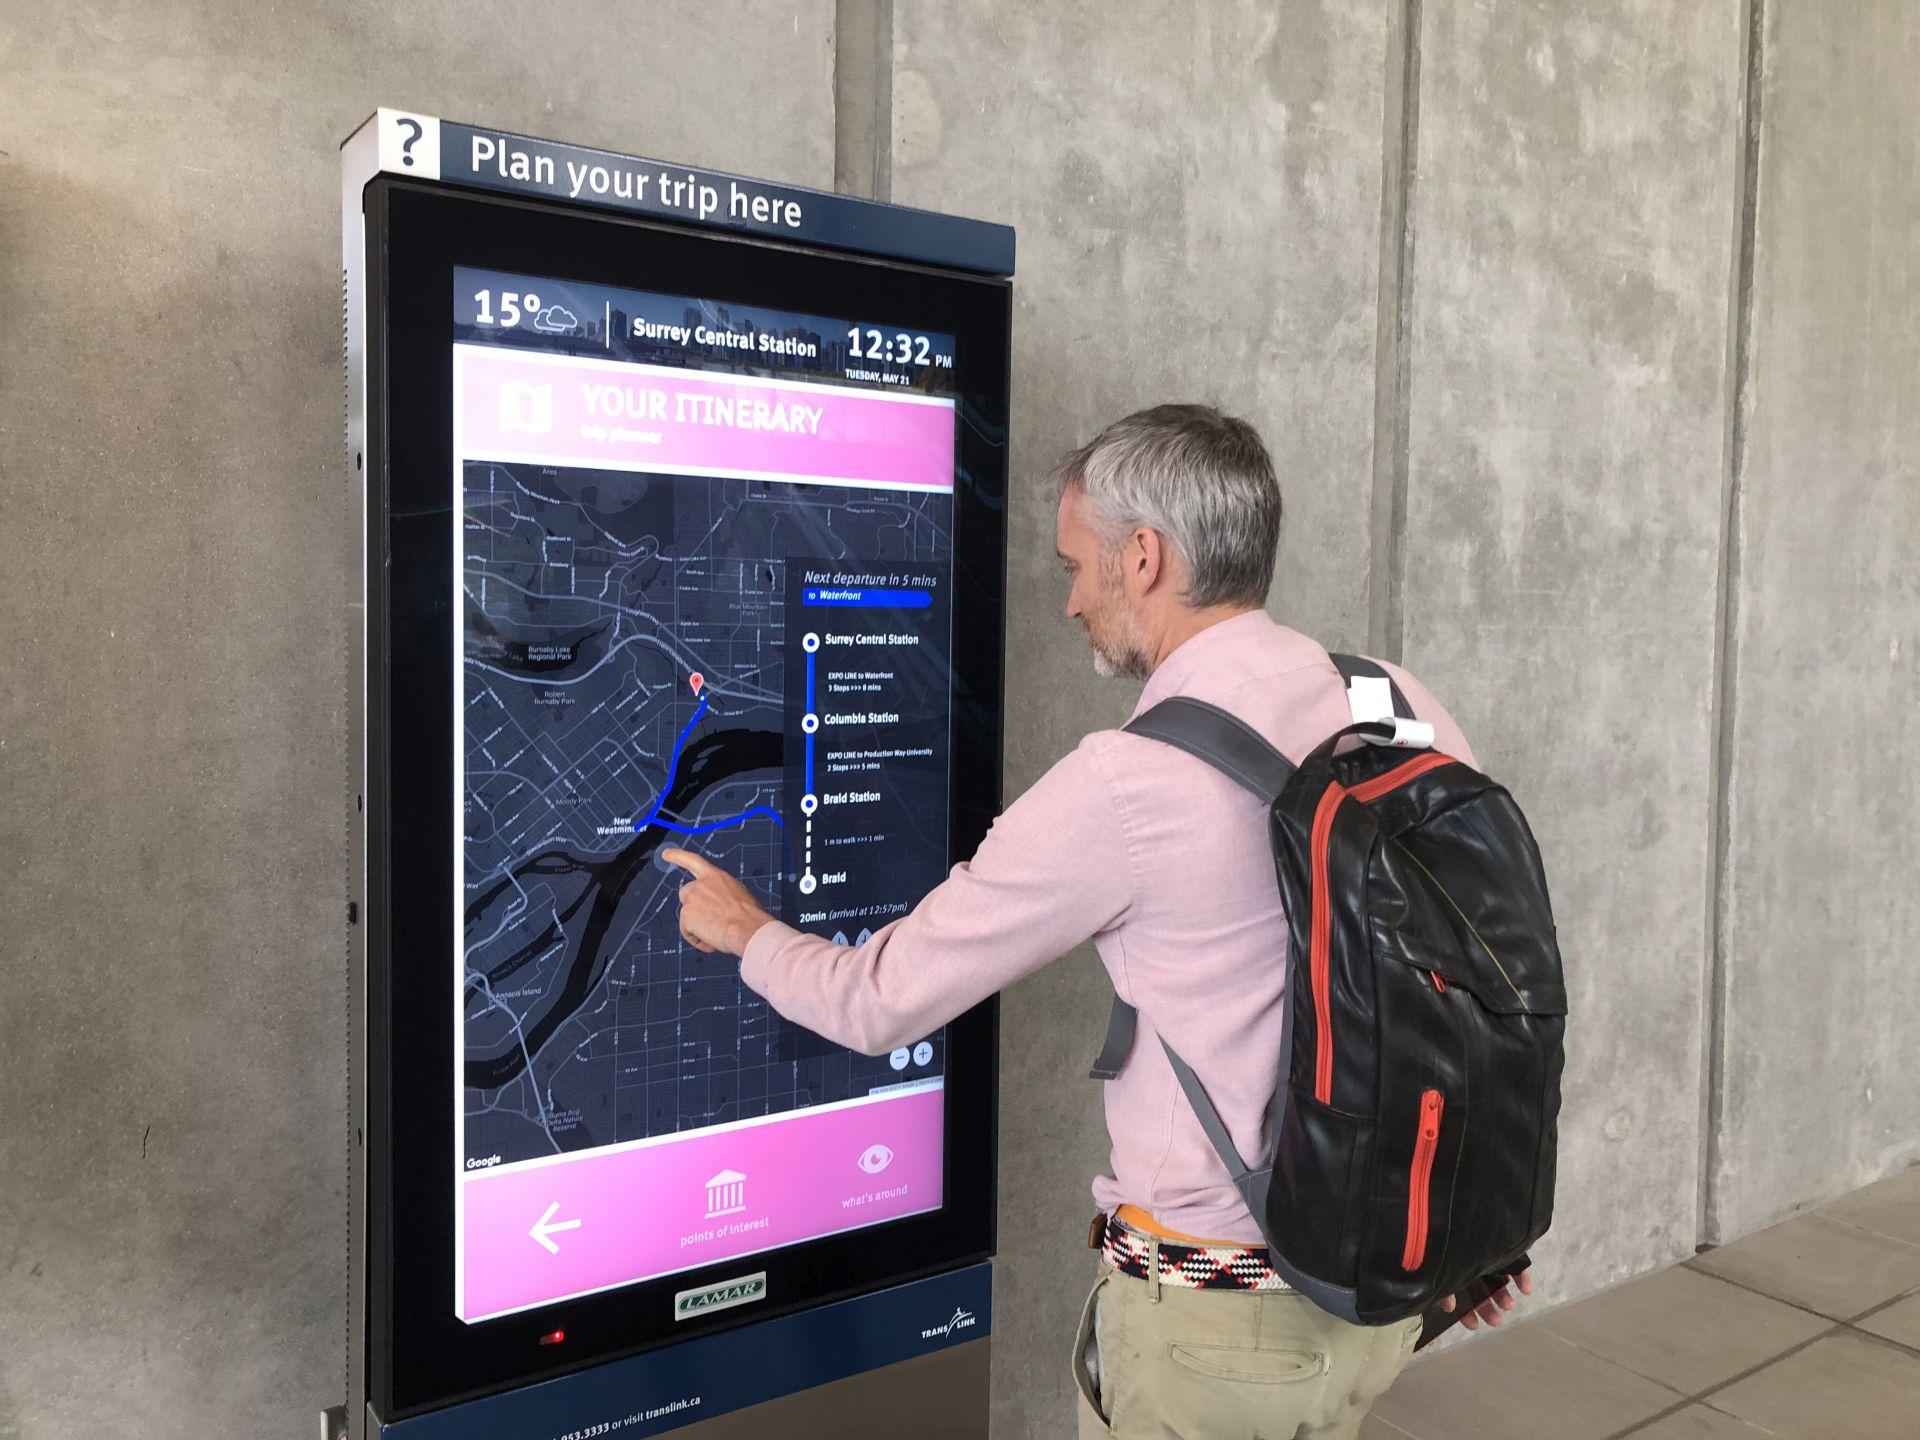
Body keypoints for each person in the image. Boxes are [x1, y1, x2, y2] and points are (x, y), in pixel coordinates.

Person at [665, 404, 1531, 1438]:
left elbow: (879, 1002)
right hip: (1382, 1293)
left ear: (1145, 557)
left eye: (1078, 566)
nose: (1071, 601)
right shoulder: (1394, 699)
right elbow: (1481, 969)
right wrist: (1470, 1229)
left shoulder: (1127, 784)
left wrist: (745, 930)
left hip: (1220, 1332)